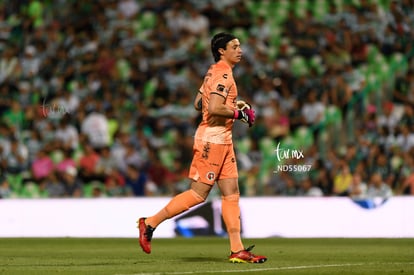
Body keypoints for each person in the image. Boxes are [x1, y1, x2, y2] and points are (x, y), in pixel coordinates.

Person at [137, 32, 267, 264]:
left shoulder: (212, 71)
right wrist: (240, 113)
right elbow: (214, 108)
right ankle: (150, 223)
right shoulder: (223, 74)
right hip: (212, 141)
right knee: (198, 194)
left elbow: (199, 104)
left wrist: (230, 105)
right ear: (221, 51)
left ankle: (237, 250)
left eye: (240, 46)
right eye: (234, 46)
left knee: (231, 195)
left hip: (224, 140)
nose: (240, 50)